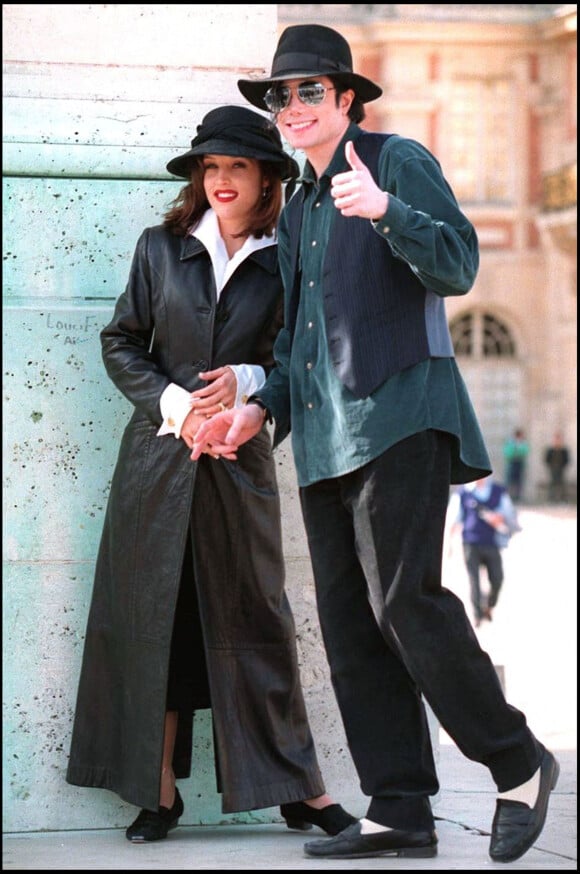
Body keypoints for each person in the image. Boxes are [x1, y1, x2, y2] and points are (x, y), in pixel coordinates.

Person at [191, 25, 559, 864]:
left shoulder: (393, 163)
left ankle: (518, 761)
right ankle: (400, 809)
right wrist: (258, 409)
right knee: (352, 624)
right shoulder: (299, 210)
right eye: (281, 95)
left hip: (399, 415)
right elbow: (295, 342)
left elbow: (459, 264)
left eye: (309, 91)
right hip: (322, 435)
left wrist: (389, 213)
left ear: (346, 99)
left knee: (406, 603)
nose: (292, 106)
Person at [66, 105, 356, 844]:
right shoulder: (159, 248)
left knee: (256, 617)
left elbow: (300, 355)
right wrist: (178, 406)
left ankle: (297, 788)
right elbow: (122, 341)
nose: (222, 180)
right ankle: (157, 791)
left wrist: (248, 383)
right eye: (212, 167)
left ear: (267, 180)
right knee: (152, 620)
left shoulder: (288, 254)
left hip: (240, 457)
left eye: (238, 167)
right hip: (158, 466)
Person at [448, 476, 520, 627]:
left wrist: (500, 520)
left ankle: (489, 604)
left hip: (492, 543)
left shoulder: (498, 492)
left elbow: (510, 517)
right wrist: (449, 544)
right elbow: (453, 519)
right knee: (474, 581)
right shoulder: (462, 494)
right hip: (470, 544)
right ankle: (477, 615)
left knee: (497, 578)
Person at [503, 427, 530, 503]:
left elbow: (525, 451)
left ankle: (518, 497)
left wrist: (517, 451)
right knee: (510, 480)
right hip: (512, 463)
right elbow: (508, 452)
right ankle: (509, 496)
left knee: (519, 481)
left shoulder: (523, 443)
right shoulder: (510, 442)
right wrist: (516, 451)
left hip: (520, 463)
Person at [544, 429, 570, 503]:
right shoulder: (551, 449)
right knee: (552, 484)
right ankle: (551, 499)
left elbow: (567, 459)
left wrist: (563, 466)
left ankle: (563, 499)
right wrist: (550, 466)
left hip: (561, 469)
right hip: (552, 469)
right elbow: (547, 459)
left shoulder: (564, 450)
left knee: (561, 484)